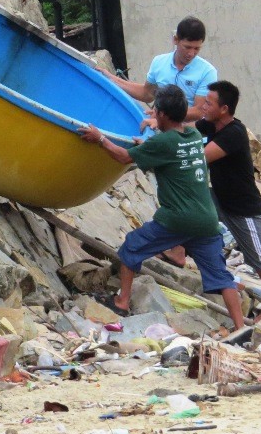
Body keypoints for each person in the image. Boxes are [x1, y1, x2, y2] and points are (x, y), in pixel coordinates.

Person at [80, 85, 245, 329]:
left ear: (164, 115)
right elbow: (166, 151)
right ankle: (241, 328)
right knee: (221, 276)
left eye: (156, 111)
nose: (154, 113)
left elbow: (124, 157)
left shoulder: (164, 143)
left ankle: (122, 301)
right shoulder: (192, 137)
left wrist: (100, 139)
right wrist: (146, 145)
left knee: (131, 247)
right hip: (207, 220)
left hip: (177, 218)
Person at [196, 80, 261, 323]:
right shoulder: (209, 125)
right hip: (220, 200)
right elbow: (187, 128)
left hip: (243, 210)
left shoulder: (233, 133)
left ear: (224, 109)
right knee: (190, 204)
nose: (203, 106)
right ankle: (176, 250)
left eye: (209, 102)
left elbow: (200, 157)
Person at [100, 16, 218, 123]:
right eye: (187, 47)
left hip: (189, 135)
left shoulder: (207, 71)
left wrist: (164, 115)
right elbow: (147, 93)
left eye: (197, 48)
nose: (191, 53)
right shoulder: (159, 62)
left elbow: (199, 111)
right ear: (175, 40)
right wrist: (110, 78)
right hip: (160, 129)